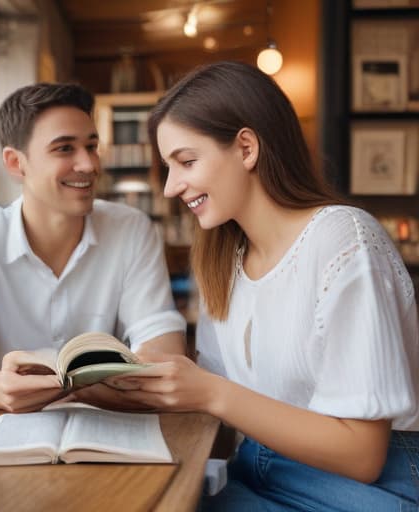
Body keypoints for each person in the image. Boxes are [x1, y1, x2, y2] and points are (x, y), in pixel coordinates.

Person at [109, 61, 419, 511]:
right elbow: (220, 414)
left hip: (369, 489)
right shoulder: (223, 259)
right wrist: (99, 388)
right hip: (258, 471)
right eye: (168, 168)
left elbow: (363, 456)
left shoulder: (343, 240)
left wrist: (211, 394)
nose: (173, 187)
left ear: (247, 148)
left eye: (186, 162)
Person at [0, 82, 186, 413]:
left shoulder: (131, 229)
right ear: (16, 163)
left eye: (91, 146)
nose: (88, 165)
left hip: (108, 429)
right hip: (6, 434)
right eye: (64, 149)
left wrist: (86, 390)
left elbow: (166, 351)